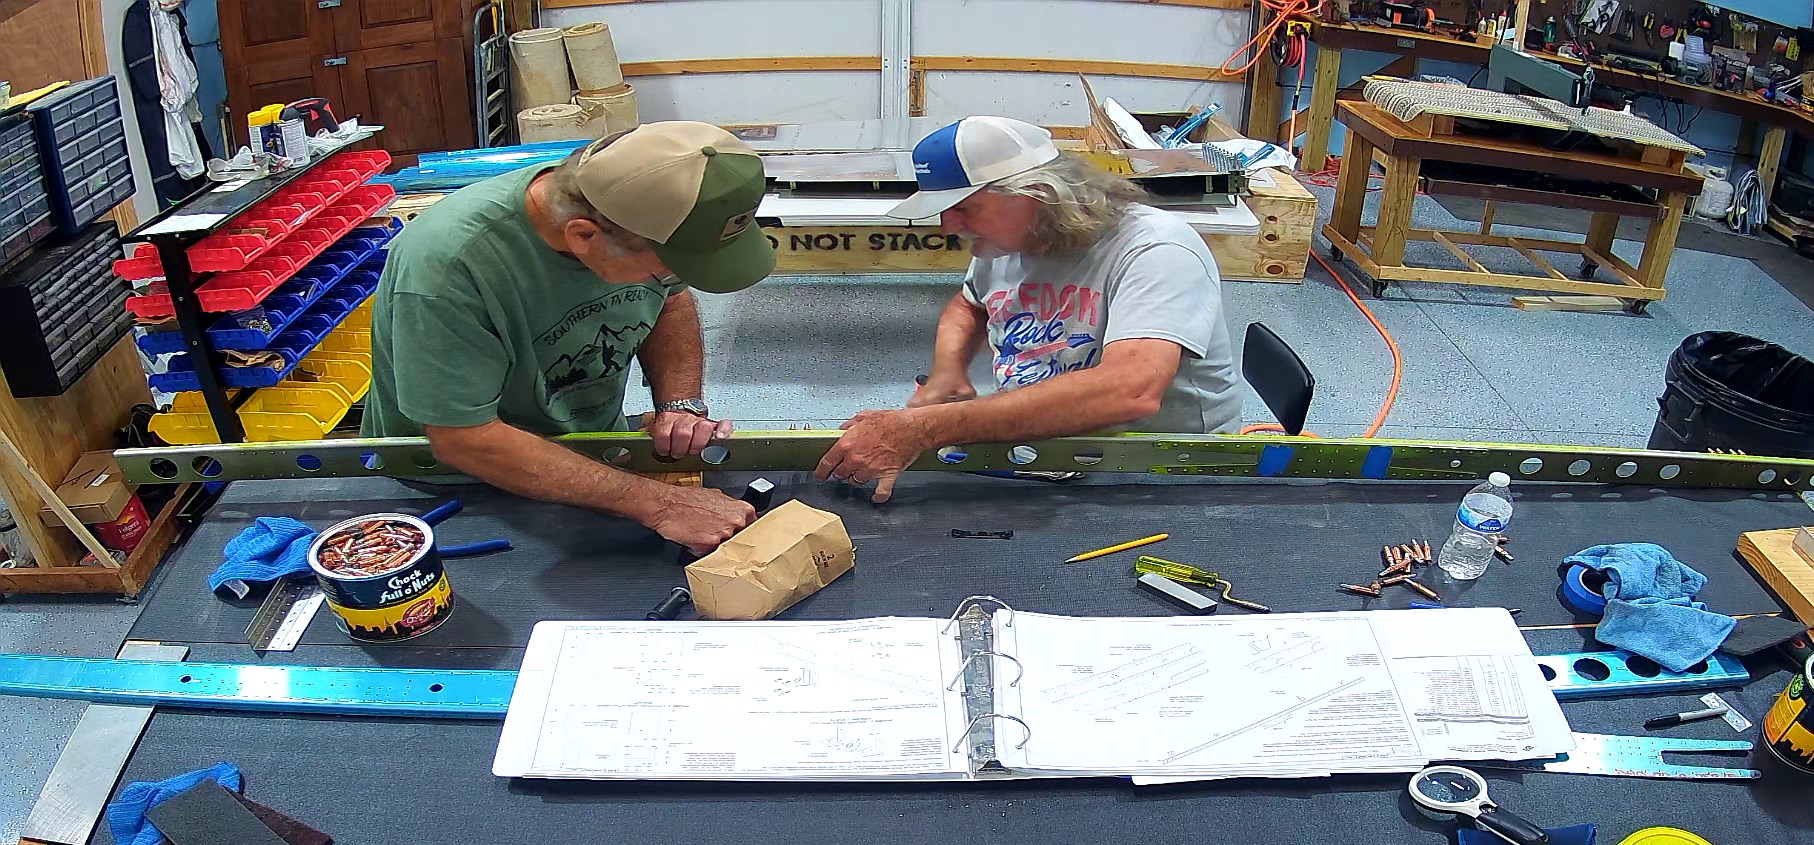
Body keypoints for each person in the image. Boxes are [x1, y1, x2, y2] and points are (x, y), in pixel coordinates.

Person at [364, 122, 775, 554]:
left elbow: (670, 302)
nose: (670, 281)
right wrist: (661, 504)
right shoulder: (447, 269)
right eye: (665, 272)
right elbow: (464, 439)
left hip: (588, 454)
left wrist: (679, 403)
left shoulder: (639, 217)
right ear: (583, 236)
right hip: (458, 485)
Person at [813, 116, 1241, 502]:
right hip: (1042, 450)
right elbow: (969, 305)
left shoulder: (1156, 250)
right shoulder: (1006, 240)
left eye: (963, 208)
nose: (947, 227)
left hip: (1157, 470)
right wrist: (948, 373)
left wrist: (927, 427)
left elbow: (1130, 390)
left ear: (1036, 194)